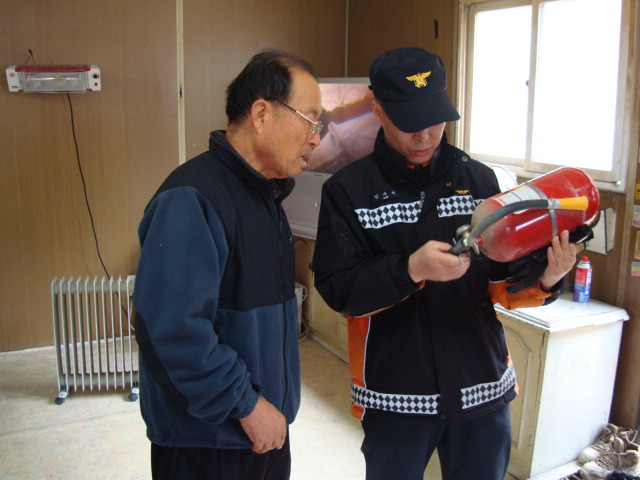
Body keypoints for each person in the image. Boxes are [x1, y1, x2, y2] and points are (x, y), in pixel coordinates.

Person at [311, 46, 578, 480]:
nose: (425, 137)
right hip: (395, 397)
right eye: (409, 123)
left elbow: (499, 283)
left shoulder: (482, 181)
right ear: (378, 109)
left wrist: (546, 278)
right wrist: (410, 270)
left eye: (435, 120)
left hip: (482, 390)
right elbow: (339, 290)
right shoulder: (348, 191)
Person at [133, 49, 322, 480]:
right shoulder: (192, 199)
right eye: (310, 120)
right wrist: (246, 404)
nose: (316, 138)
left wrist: (263, 410)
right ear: (261, 113)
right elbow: (171, 331)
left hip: (259, 429)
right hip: (208, 441)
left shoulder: (265, 195)